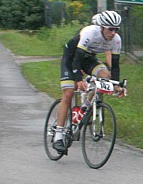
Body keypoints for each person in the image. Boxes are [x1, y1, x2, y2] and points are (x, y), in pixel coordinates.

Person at [51, 10, 126, 152]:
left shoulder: (116, 40)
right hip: (71, 58)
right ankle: (58, 135)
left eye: (116, 29)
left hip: (89, 59)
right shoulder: (90, 33)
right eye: (110, 29)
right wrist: (78, 79)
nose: (113, 33)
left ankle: (86, 107)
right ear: (102, 27)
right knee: (68, 93)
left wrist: (116, 85)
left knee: (105, 76)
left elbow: (115, 66)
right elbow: (77, 59)